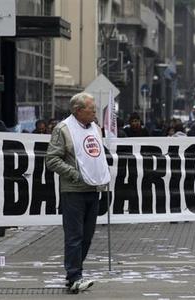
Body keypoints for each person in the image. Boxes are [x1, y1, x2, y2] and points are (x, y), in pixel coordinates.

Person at [46, 92, 111, 292]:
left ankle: (74, 272)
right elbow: (52, 159)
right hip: (73, 191)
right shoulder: (63, 129)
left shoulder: (95, 128)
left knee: (87, 236)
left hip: (93, 189)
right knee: (74, 236)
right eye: (91, 109)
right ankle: (75, 276)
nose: (94, 112)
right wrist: (74, 174)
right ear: (78, 110)